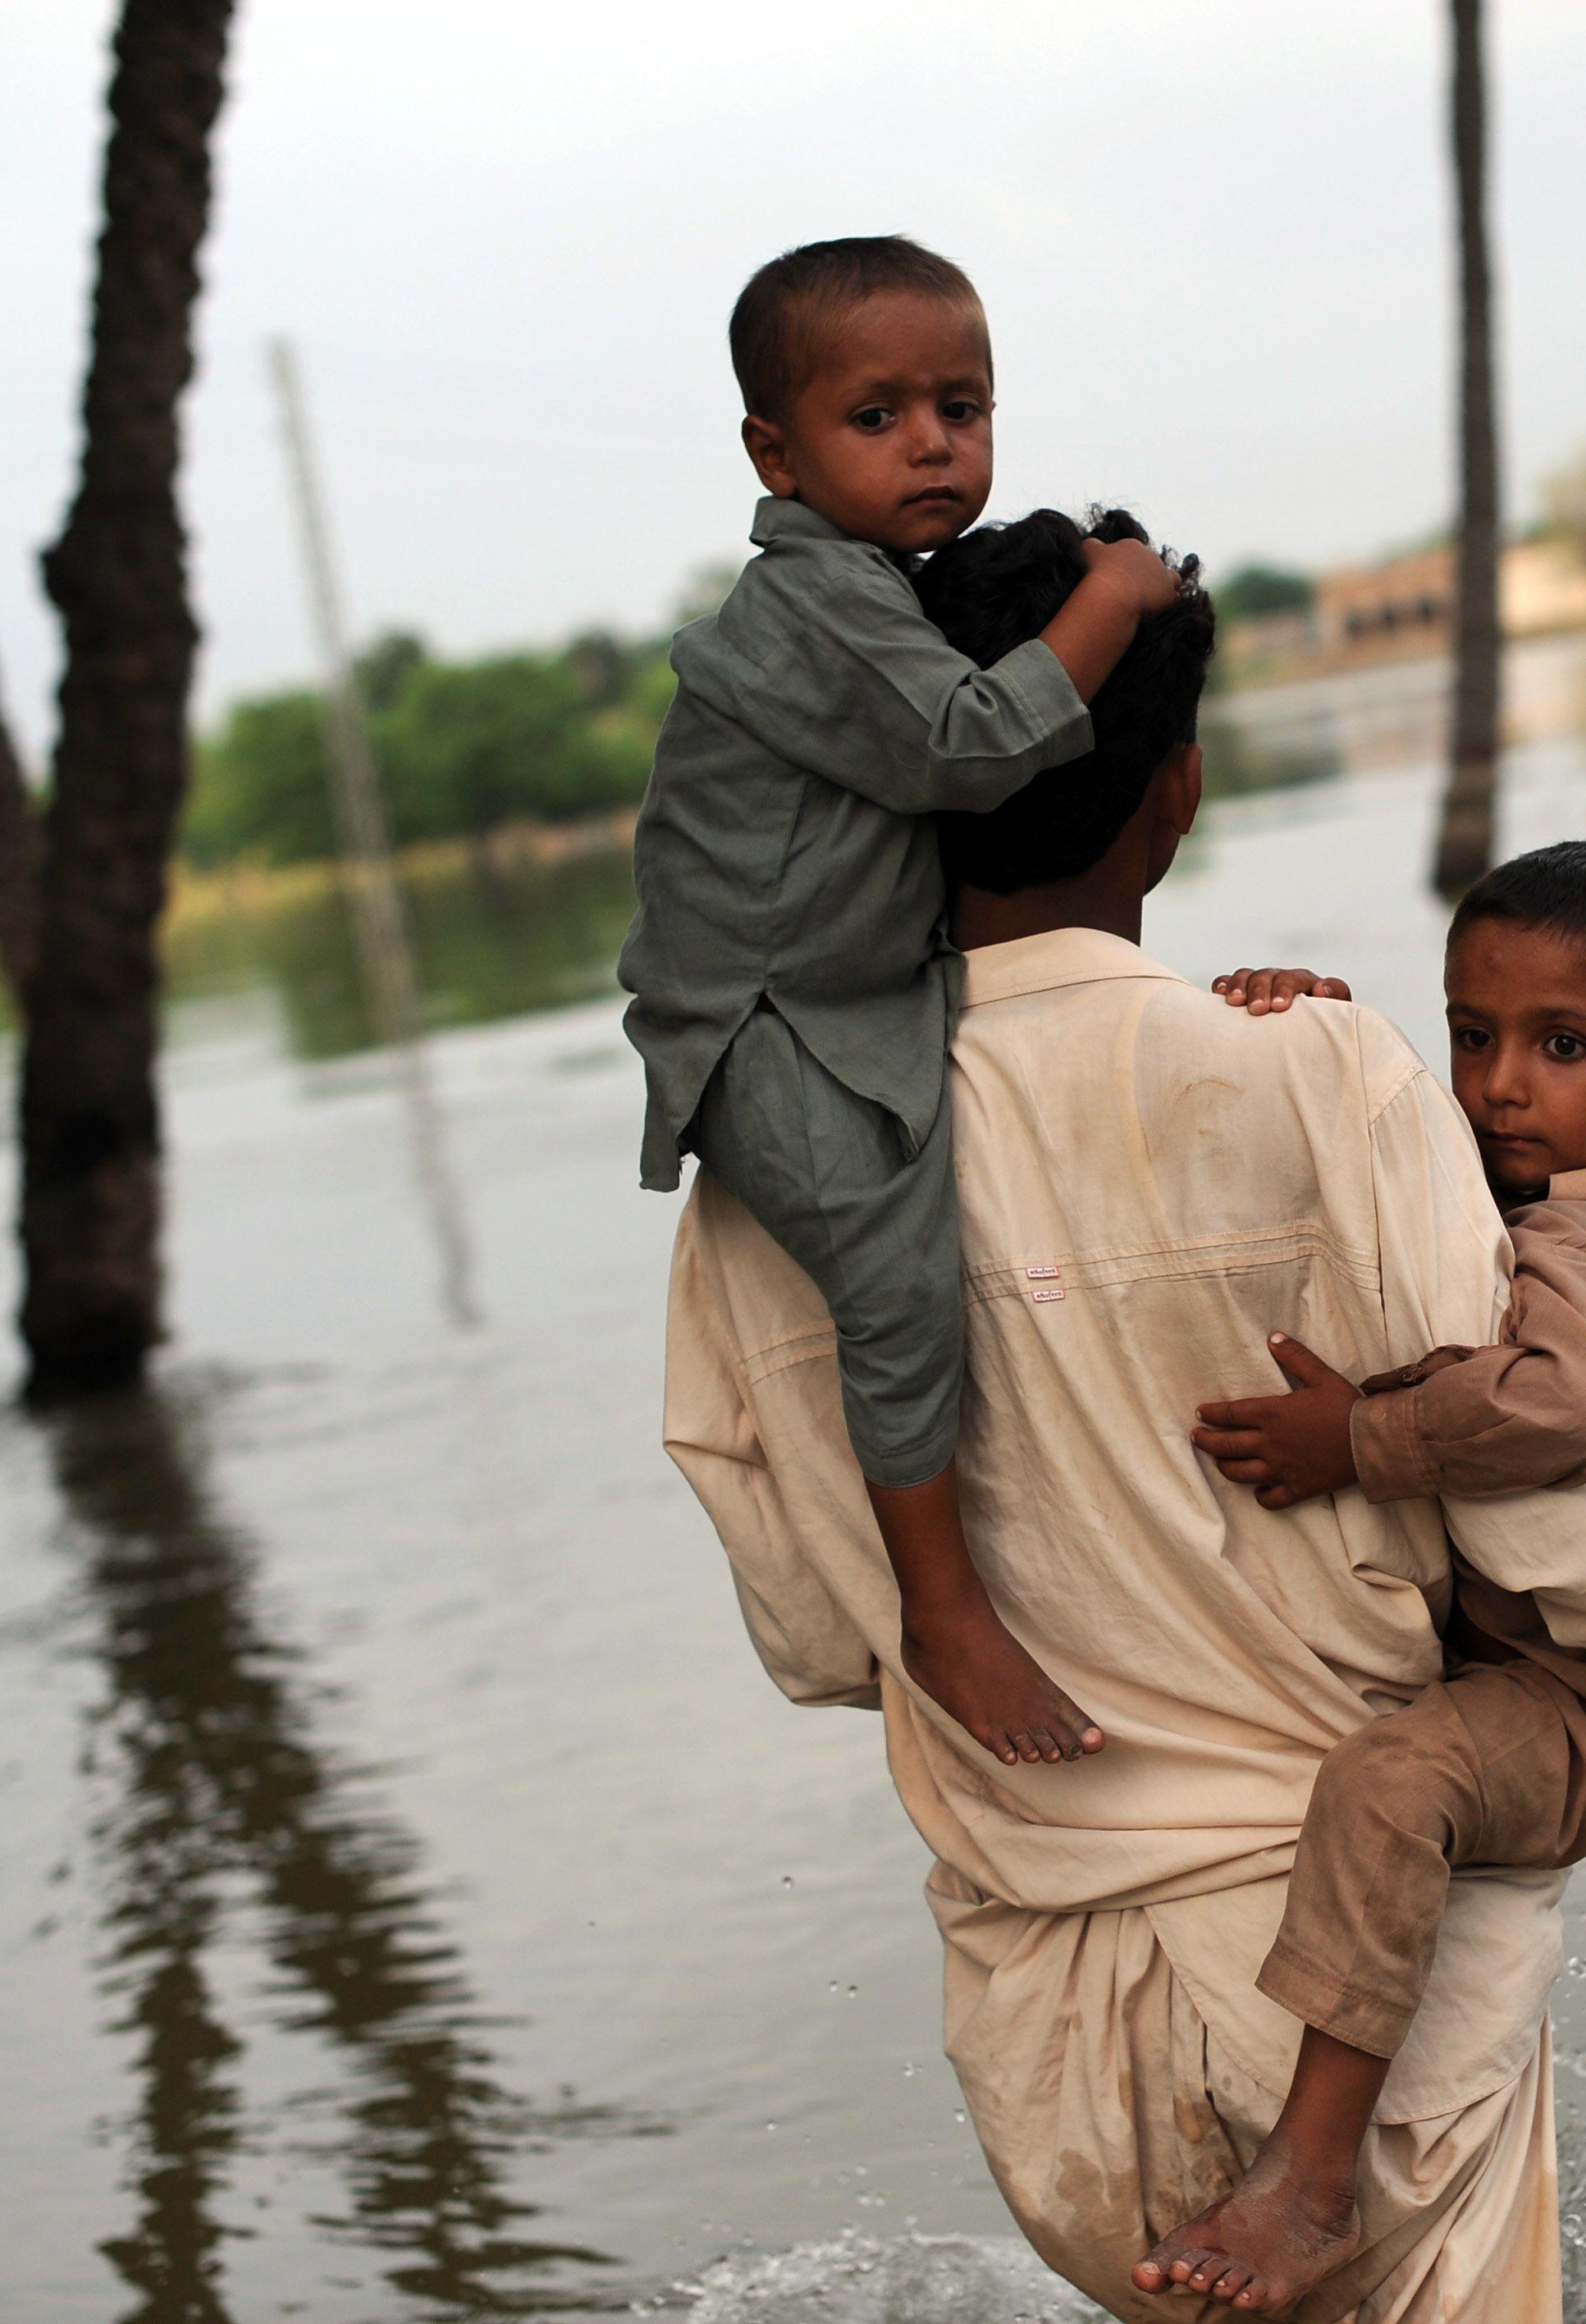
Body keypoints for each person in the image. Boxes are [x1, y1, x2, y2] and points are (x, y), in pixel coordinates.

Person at [661, 508, 1586, 2322]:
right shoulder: (1322, 1073)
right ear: (1173, 791)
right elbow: (1576, 1560)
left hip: (1047, 2026)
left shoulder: (763, 1179)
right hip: (1354, 1985)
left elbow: (816, 1643)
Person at [1140, 839, 1586, 2313]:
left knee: (1387, 1787)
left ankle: (1311, 2179)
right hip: (1494, 1665)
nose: (1498, 1085)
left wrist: (1356, 1434)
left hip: (1568, 1709)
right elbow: (1406, 1163)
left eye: (1562, 1045)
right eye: (1472, 1035)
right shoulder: (1520, 1169)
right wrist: (1326, 1038)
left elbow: (1562, 1404)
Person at [622, 236, 1180, 1773]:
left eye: (964, 404)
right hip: (766, 1014)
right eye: (880, 417)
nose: (936, 443)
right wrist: (1118, 599)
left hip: (844, 980)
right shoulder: (817, 599)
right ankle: (946, 1608)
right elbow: (982, 742)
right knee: (899, 1279)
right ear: (774, 452)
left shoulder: (870, 588)